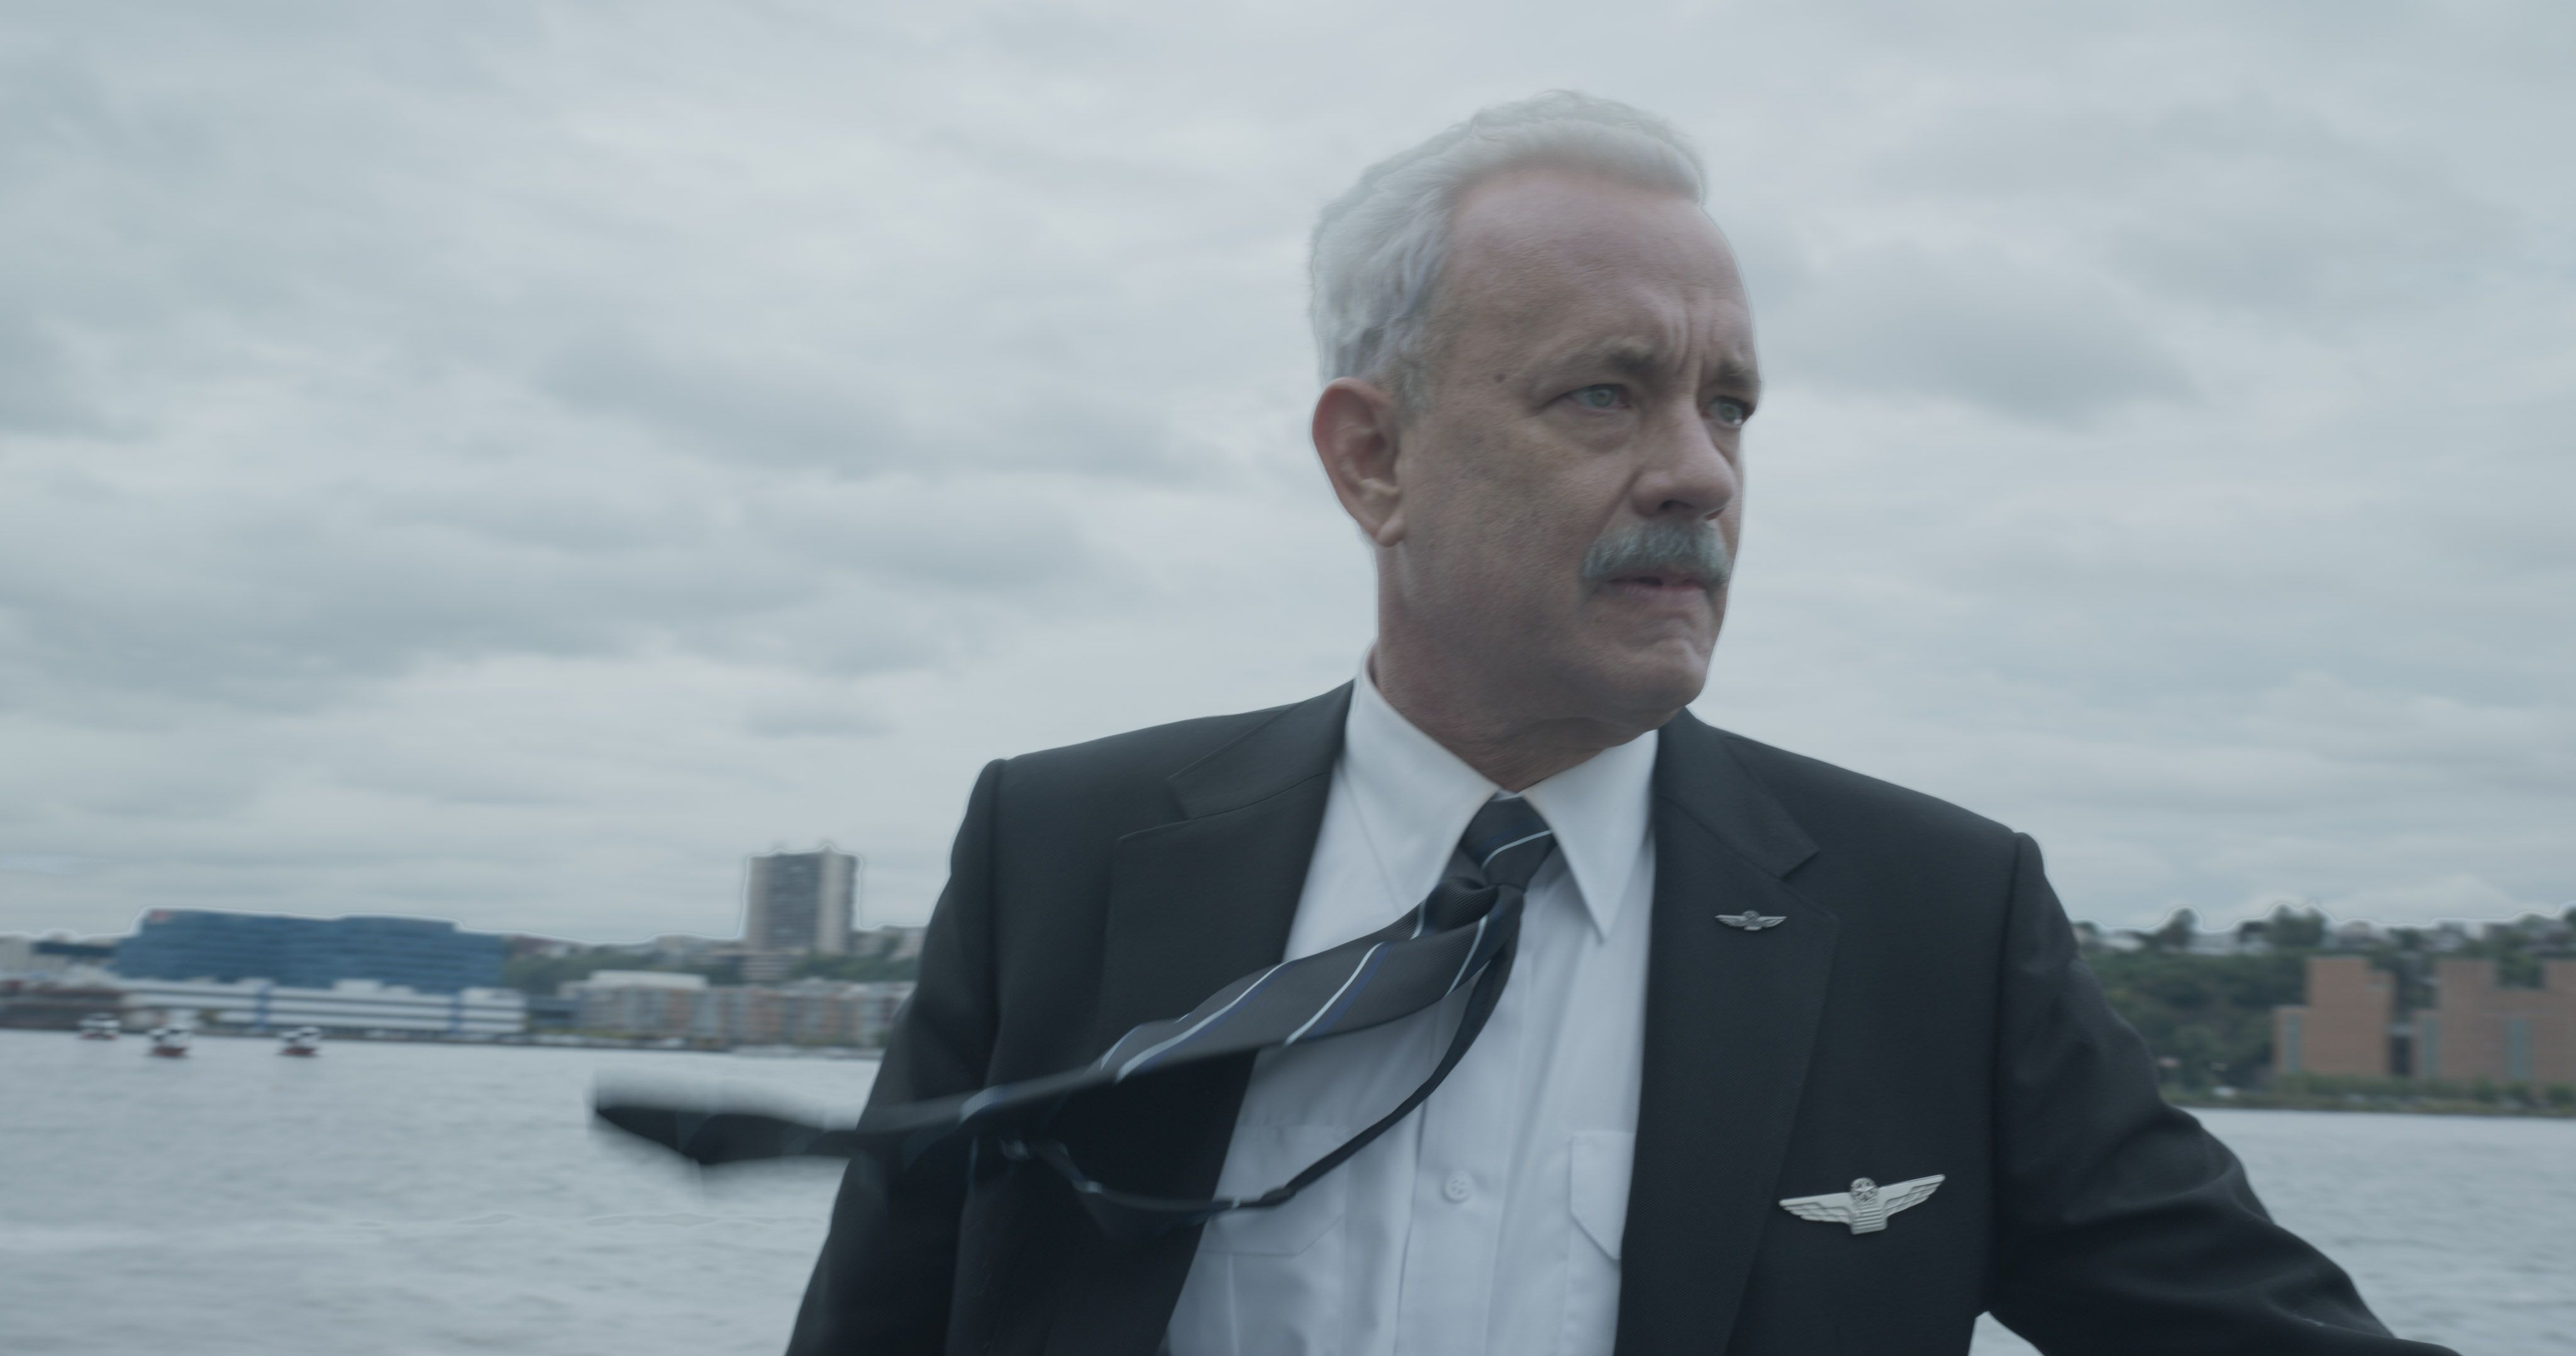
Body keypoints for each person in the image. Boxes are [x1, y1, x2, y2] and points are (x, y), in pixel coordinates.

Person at [786, 93, 2450, 1355]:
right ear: (1374, 457)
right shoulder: (1065, 855)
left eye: (1730, 405)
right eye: (1607, 391)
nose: (1702, 472)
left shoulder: (1936, 923)